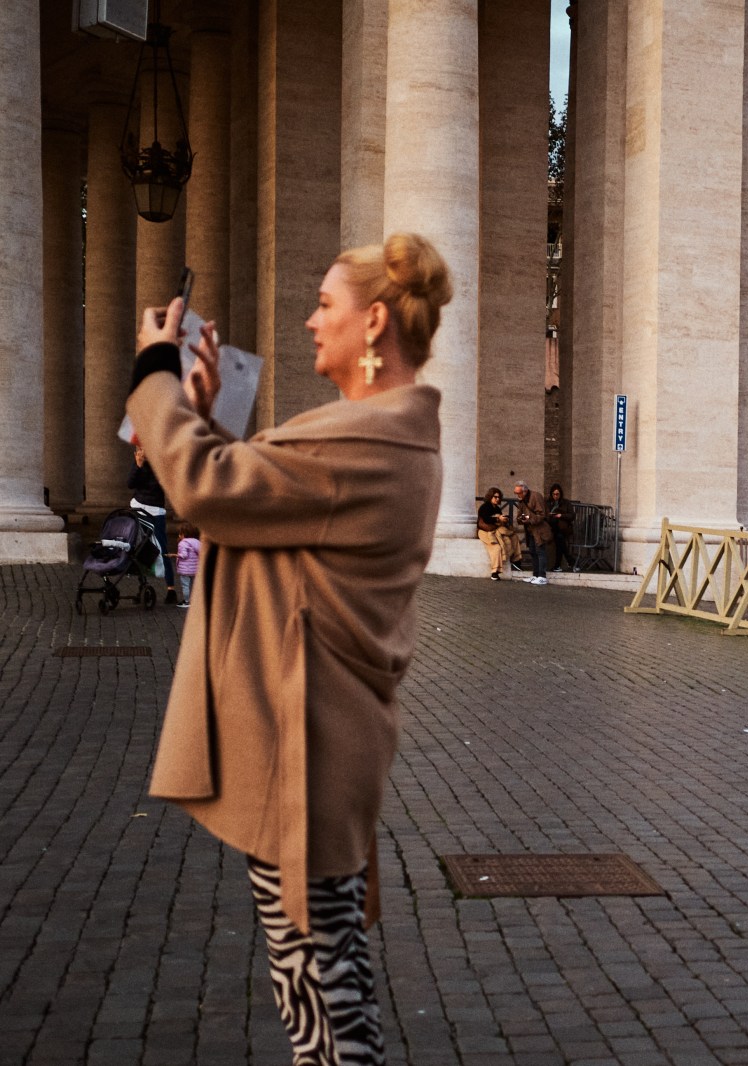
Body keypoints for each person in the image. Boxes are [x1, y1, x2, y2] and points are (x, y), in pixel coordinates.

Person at [127, 232, 451, 1066]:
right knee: (321, 981)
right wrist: (199, 416)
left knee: (324, 1000)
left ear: (373, 321)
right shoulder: (369, 432)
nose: (310, 322)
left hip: (306, 750)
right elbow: (249, 497)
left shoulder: (368, 442)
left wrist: (155, 372)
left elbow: (209, 487)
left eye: (325, 304)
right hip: (315, 740)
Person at [128, 443, 176, 602]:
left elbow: (160, 487)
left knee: (162, 547)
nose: (141, 452)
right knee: (138, 547)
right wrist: (138, 465)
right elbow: (130, 483)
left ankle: (171, 589)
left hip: (155, 511)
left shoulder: (161, 464)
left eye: (143, 448)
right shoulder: (139, 463)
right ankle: (142, 586)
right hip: (138, 507)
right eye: (139, 449)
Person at [511, 479, 551, 584]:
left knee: (540, 551)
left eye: (518, 493)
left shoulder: (536, 496)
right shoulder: (522, 500)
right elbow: (519, 517)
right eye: (515, 493)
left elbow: (542, 515)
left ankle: (542, 576)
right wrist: (522, 519)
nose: (517, 495)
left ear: (524, 491)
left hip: (539, 529)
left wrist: (529, 518)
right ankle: (535, 575)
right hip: (530, 530)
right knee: (533, 551)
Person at [477, 486, 518, 580]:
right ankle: (494, 572)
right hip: (484, 531)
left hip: (495, 531)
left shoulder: (497, 508)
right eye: (495, 497)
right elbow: (486, 519)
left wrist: (504, 520)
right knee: (496, 548)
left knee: (512, 538)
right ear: (490, 496)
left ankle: (516, 560)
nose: (497, 499)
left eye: (499, 497)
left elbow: (498, 522)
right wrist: (498, 518)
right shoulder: (484, 507)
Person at [546, 482, 575, 571]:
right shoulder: (548, 503)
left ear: (560, 494)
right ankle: (568, 560)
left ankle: (558, 565)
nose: (555, 496)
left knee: (560, 540)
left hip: (562, 528)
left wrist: (561, 515)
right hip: (552, 527)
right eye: (554, 494)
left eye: (557, 494)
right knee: (560, 542)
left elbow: (572, 515)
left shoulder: (566, 503)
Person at [174, 523, 200, 607]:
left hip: (185, 569)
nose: (179, 535)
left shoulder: (183, 543)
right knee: (195, 585)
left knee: (185, 586)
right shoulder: (198, 542)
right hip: (195, 569)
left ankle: (186, 601)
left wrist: (176, 555)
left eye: (180, 533)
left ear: (184, 534)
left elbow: (184, 555)